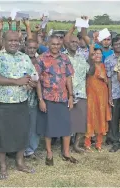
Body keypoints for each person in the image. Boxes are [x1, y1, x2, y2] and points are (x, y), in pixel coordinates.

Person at [0, 31, 37, 180]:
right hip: (1, 103)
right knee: (0, 135)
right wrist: (17, 81)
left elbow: (33, 76)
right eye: (11, 40)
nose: (14, 43)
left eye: (17, 40)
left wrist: (31, 83)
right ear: (4, 41)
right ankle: (2, 166)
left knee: (21, 133)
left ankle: (20, 163)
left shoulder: (25, 58)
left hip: (21, 102)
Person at [35, 35, 78, 166]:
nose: (55, 46)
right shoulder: (41, 59)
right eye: (53, 44)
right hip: (47, 98)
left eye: (58, 44)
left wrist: (71, 96)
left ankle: (66, 153)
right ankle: (49, 153)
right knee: (49, 126)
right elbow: (36, 81)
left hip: (63, 97)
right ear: (48, 44)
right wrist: (40, 99)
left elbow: (69, 78)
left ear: (61, 45)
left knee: (66, 126)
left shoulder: (65, 58)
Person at [63, 35, 90, 153]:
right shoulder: (62, 57)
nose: (74, 43)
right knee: (66, 121)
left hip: (81, 93)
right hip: (66, 94)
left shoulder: (82, 57)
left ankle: (76, 145)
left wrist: (93, 56)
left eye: (76, 41)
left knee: (80, 120)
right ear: (66, 43)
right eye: (72, 41)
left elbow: (89, 71)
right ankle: (65, 146)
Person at [84, 43, 112, 152]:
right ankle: (87, 142)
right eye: (95, 53)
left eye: (100, 54)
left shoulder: (104, 66)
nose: (98, 55)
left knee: (101, 117)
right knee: (90, 117)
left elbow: (108, 81)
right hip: (91, 95)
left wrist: (104, 78)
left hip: (102, 96)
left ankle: (99, 143)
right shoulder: (89, 65)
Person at [104, 37, 120, 152]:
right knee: (115, 120)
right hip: (115, 93)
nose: (118, 46)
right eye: (115, 44)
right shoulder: (108, 60)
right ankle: (116, 142)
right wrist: (110, 95)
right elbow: (109, 79)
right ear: (113, 46)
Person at [24, 39, 40, 159]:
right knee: (21, 125)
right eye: (29, 47)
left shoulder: (40, 61)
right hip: (20, 98)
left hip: (34, 98)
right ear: (25, 47)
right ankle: (20, 149)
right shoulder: (20, 60)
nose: (32, 50)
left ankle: (31, 150)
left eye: (34, 48)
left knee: (33, 125)